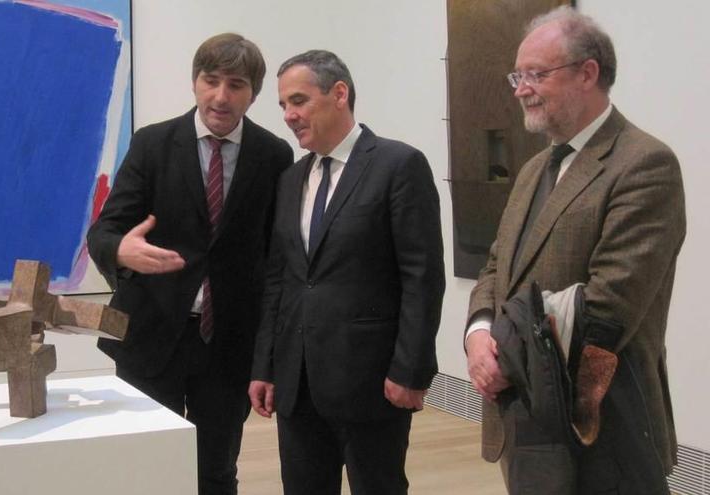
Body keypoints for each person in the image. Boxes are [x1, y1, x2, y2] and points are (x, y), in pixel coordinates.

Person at [464, 6, 686, 494]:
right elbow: (498, 267)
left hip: (602, 423)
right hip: (526, 417)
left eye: (536, 74)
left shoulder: (644, 163)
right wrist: (478, 334)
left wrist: (504, 355)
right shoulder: (533, 170)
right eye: (517, 75)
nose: (521, 87)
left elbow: (609, 304)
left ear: (588, 73)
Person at [87, 33, 292, 495]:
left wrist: (270, 351)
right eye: (211, 80)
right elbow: (103, 231)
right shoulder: (153, 144)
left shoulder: (274, 155)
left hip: (229, 346)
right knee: (148, 470)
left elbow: (276, 258)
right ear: (195, 82)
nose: (221, 96)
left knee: (215, 471)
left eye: (236, 84)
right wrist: (121, 251)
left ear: (254, 93)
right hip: (150, 336)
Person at [248, 50, 445, 495]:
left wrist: (411, 370)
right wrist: (266, 364)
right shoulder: (291, 179)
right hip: (298, 385)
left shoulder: (399, 166)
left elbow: (422, 276)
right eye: (282, 105)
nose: (289, 115)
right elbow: (280, 278)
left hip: (371, 383)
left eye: (298, 100)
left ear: (339, 94)